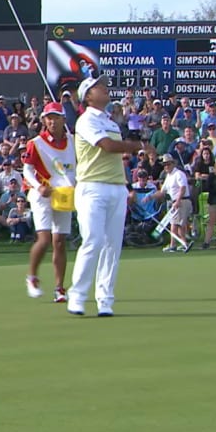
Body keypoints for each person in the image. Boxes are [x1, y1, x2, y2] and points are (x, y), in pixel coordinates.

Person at [67, 76, 155, 317]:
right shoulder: (86, 120)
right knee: (93, 240)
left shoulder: (112, 122)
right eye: (98, 86)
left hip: (116, 187)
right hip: (92, 187)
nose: (104, 88)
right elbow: (107, 146)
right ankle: (77, 295)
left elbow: (117, 155)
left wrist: (125, 186)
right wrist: (139, 147)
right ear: (88, 96)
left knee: (112, 247)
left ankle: (105, 300)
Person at [22, 102, 76, 303]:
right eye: (48, 118)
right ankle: (32, 277)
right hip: (42, 193)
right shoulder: (36, 143)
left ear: (63, 119)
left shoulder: (73, 141)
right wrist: (38, 186)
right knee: (44, 240)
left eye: (56, 117)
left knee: (60, 242)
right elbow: (27, 169)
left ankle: (60, 288)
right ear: (44, 120)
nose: (52, 121)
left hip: (64, 194)